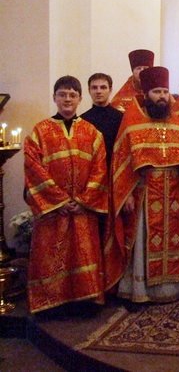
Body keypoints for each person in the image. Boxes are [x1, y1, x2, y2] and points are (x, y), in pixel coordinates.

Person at [107, 66, 179, 306]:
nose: (162, 96)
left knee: (172, 238)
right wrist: (126, 195)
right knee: (143, 241)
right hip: (144, 192)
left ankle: (168, 288)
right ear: (146, 95)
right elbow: (121, 163)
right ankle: (139, 289)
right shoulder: (132, 124)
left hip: (172, 193)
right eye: (157, 92)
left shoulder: (177, 124)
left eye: (165, 91)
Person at [24, 75, 109, 314]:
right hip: (53, 211)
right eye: (62, 94)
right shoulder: (40, 131)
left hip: (83, 209)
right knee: (51, 255)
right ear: (54, 97)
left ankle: (85, 302)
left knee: (82, 254)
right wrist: (59, 200)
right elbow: (33, 168)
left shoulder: (92, 132)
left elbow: (100, 170)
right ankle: (51, 303)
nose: (67, 99)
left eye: (72, 95)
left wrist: (83, 200)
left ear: (80, 99)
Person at [81, 72, 124, 166]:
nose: (98, 91)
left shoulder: (121, 118)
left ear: (110, 90)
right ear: (89, 90)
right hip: (91, 169)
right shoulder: (82, 120)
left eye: (103, 87)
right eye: (94, 87)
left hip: (114, 168)